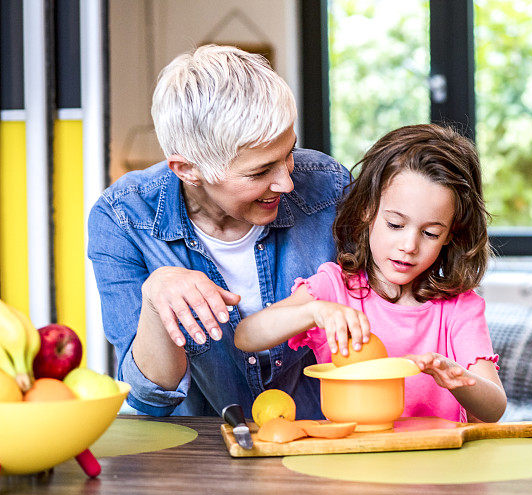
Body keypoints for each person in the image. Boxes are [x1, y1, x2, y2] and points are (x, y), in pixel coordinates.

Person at [87, 45, 350, 417]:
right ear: (187, 170)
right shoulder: (123, 219)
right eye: (260, 172)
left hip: (321, 437)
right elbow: (149, 398)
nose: (287, 183)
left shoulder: (328, 187)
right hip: (200, 454)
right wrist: (155, 296)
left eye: (288, 154)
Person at [235, 124, 507, 423]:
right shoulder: (333, 289)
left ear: (450, 236)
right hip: (352, 462)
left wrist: (458, 379)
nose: (409, 245)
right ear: (367, 211)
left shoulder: (459, 308)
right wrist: (314, 312)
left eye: (430, 233)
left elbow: (494, 408)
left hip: (437, 463)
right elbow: (247, 336)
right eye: (395, 225)